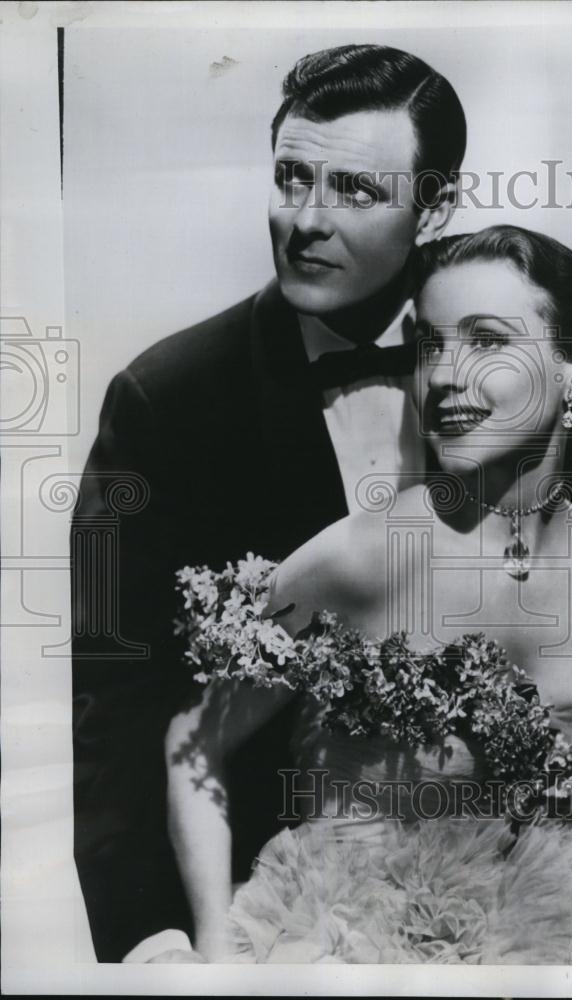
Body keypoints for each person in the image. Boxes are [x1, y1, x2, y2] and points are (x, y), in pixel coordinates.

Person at [163, 226, 572, 965]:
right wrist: (214, 953)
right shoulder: (360, 558)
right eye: (429, 346)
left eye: (487, 340)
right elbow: (194, 742)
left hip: (556, 944)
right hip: (344, 946)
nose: (444, 377)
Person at [71, 43, 466, 962]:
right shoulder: (168, 399)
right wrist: (154, 941)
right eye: (292, 178)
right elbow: (114, 688)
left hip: (471, 874)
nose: (306, 221)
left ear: (437, 205)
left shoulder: (499, 362)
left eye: (357, 192)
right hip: (260, 906)